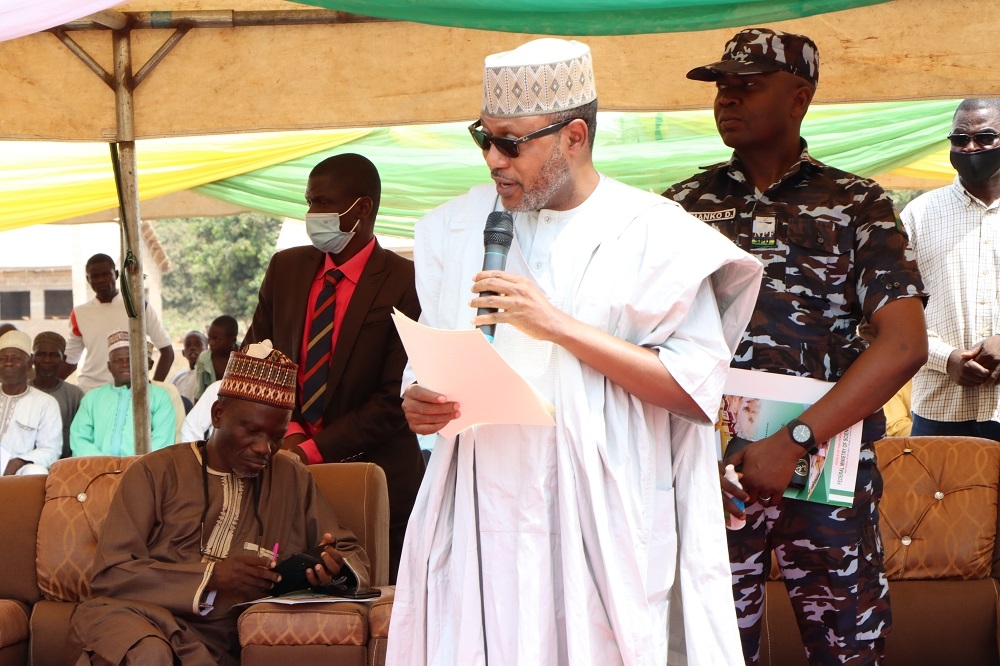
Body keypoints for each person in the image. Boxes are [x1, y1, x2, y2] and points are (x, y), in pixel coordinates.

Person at [388, 38, 763, 666]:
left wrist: (556, 326)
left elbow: (694, 392)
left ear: (574, 136)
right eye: (484, 137)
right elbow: (428, 359)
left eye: (512, 143)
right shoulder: (454, 228)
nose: (492, 160)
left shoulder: (654, 233)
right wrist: (417, 402)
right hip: (487, 524)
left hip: (607, 521)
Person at [664, 28, 928, 665]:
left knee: (848, 649)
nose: (727, 99)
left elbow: (903, 344)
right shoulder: (679, 208)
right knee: (711, 649)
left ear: (799, 99)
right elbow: (650, 342)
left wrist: (796, 441)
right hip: (713, 470)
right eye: (721, 87)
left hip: (827, 469)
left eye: (747, 86)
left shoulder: (857, 203)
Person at [68, 341, 369, 665]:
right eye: (252, 431)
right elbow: (111, 573)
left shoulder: (291, 477)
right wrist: (212, 576)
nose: (264, 448)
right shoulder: (156, 471)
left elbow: (347, 550)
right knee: (150, 655)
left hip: (214, 634)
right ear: (218, 414)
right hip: (134, 616)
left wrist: (331, 567)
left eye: (277, 436)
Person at [245, 153, 424, 584]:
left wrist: (311, 450)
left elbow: (395, 396)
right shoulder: (285, 269)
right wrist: (287, 437)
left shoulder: (407, 281)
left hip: (381, 484)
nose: (311, 215)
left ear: (360, 209)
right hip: (288, 480)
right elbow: (258, 357)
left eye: (321, 203)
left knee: (383, 613)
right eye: (308, 202)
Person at [902, 98, 1000, 440]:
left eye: (985, 137)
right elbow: (882, 314)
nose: (971, 147)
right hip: (940, 408)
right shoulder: (917, 215)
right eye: (960, 139)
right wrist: (946, 358)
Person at [61, 253, 174, 392]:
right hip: (90, 391)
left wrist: (153, 388)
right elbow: (70, 361)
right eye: (95, 276)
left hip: (131, 391)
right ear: (88, 279)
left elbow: (167, 351)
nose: (101, 280)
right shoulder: (79, 313)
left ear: (116, 274)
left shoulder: (138, 306)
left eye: (106, 274)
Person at [70, 329, 176, 456]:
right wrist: (106, 466)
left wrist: (130, 466)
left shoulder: (159, 397)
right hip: (98, 471)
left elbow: (162, 441)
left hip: (143, 471)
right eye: (118, 360)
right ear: (109, 366)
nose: (125, 364)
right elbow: (79, 440)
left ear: (139, 361)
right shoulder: (92, 398)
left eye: (130, 359)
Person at [0, 330, 61, 475]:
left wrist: (17, 462)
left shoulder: (46, 403)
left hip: (18, 470)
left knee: (36, 471)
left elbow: (50, 450)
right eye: (3, 358)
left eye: (16, 358)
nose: (9, 363)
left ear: (29, 364)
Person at [29, 331, 84, 459]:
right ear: (32, 358)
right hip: (24, 466)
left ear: (63, 359)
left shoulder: (75, 395)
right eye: (41, 354)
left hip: (64, 466)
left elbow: (81, 436)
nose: (47, 360)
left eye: (53, 355)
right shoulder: (22, 390)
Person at [194, 315, 238, 401]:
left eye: (216, 339)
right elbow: (200, 392)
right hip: (212, 403)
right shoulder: (204, 359)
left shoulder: (244, 354)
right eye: (209, 338)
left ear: (233, 340)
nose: (211, 343)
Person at [171, 330, 207, 405]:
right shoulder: (177, 377)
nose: (193, 348)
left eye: (198, 344)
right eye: (188, 345)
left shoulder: (207, 375)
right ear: (183, 352)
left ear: (207, 350)